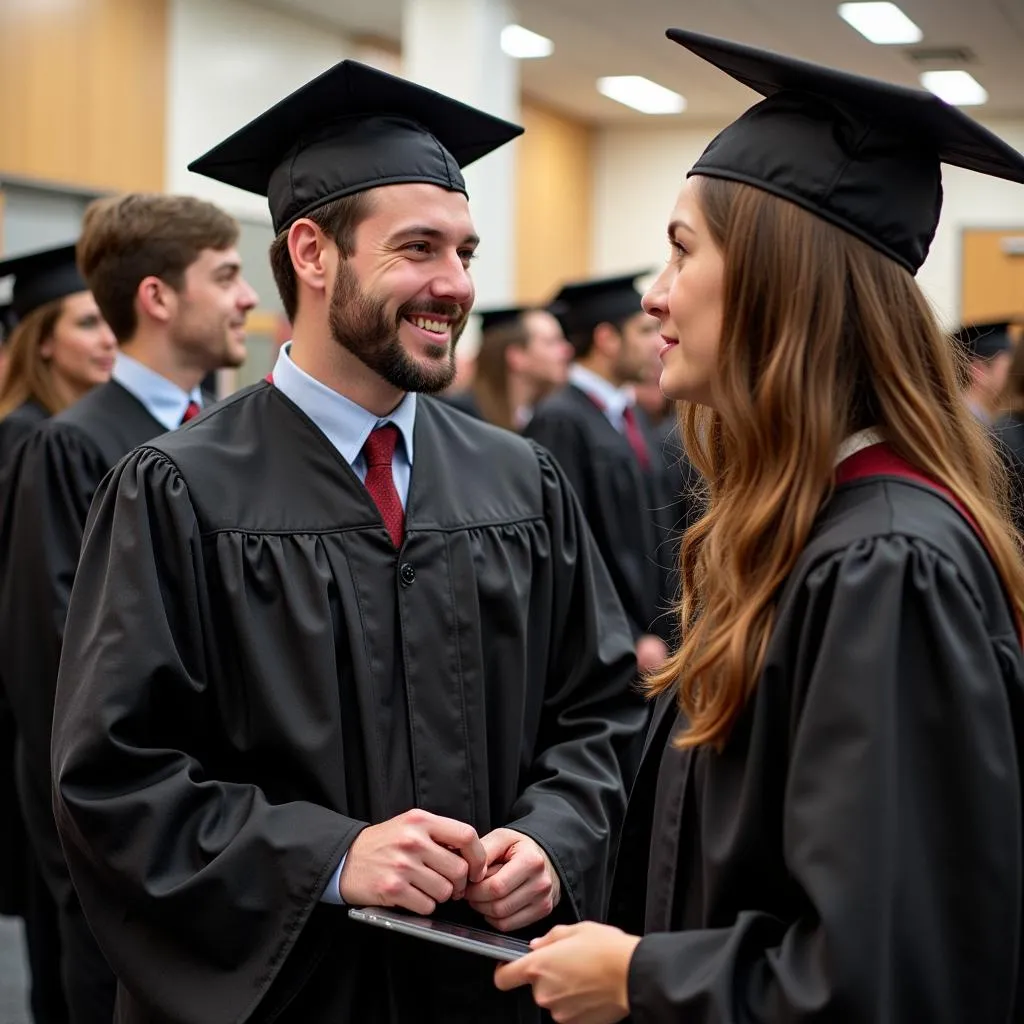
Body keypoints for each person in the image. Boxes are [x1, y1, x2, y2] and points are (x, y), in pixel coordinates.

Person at [50, 61, 645, 1024]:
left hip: (487, 985)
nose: (454, 285)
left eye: (465, 251)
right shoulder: (180, 489)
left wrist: (555, 837)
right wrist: (328, 857)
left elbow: (603, 710)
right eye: (418, 249)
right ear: (313, 252)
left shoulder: (518, 479)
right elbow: (113, 776)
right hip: (294, 990)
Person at [495, 29, 1024, 1024]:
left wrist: (636, 978)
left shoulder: (883, 566)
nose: (652, 292)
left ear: (783, 281)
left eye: (682, 249)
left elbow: (884, 978)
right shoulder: (813, 532)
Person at [0, 193, 257, 1024]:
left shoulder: (226, 436)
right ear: (156, 298)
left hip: (214, 840)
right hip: (120, 845)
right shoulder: (73, 443)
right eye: (225, 275)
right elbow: (51, 667)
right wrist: (87, 855)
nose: (249, 298)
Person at [0, 244, 114, 1024]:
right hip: (36, 724)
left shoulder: (80, 429)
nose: (109, 336)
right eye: (86, 322)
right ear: (43, 339)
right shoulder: (32, 438)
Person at [525, 272, 674, 674]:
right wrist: (625, 632)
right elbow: (569, 541)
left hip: (654, 638)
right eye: (644, 331)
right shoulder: (561, 420)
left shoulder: (631, 417)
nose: (656, 343)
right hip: (609, 650)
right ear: (607, 340)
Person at [445, 305, 573, 430]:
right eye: (551, 342)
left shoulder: (537, 418)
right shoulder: (463, 419)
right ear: (516, 357)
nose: (567, 350)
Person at [953, 318, 1017, 424]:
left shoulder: (984, 422)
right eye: (1009, 368)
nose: (1016, 375)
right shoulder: (962, 426)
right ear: (979, 371)